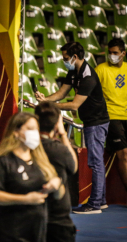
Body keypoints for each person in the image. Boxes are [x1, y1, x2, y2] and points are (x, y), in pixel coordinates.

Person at [35, 42, 110, 214]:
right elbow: (61, 93)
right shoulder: (73, 71)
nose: (64, 61)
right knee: (96, 161)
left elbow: (74, 105)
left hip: (97, 123)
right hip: (91, 121)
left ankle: (95, 204)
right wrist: (45, 99)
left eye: (66, 58)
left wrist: (51, 107)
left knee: (95, 162)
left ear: (75, 57)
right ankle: (102, 200)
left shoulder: (88, 77)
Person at [0, 112, 62, 242]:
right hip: (12, 231)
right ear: (16, 132)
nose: (35, 133)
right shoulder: (3, 162)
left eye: (36, 129)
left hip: (38, 231)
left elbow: (59, 193)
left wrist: (56, 184)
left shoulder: (40, 161)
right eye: (30, 129)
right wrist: (26, 199)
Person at [35, 102, 78, 242]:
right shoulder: (60, 150)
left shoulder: (24, 149)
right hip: (58, 222)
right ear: (57, 123)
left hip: (31, 221)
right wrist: (63, 134)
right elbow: (73, 166)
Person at [95, 38, 127, 193]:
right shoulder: (101, 69)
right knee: (124, 154)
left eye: (115, 53)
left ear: (123, 53)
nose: (112, 56)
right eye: (110, 53)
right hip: (111, 116)